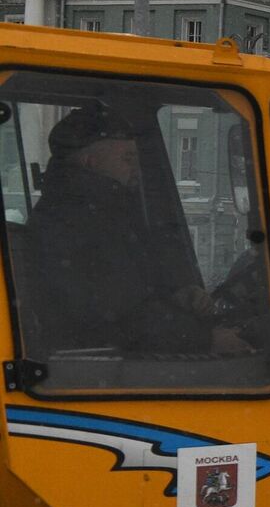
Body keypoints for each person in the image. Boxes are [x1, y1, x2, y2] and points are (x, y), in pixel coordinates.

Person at [31, 104, 249, 357]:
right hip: (97, 362)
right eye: (127, 158)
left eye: (136, 158)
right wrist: (205, 340)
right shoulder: (76, 222)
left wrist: (176, 296)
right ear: (90, 162)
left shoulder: (100, 213)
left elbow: (128, 297)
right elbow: (123, 317)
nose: (137, 167)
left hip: (108, 356)